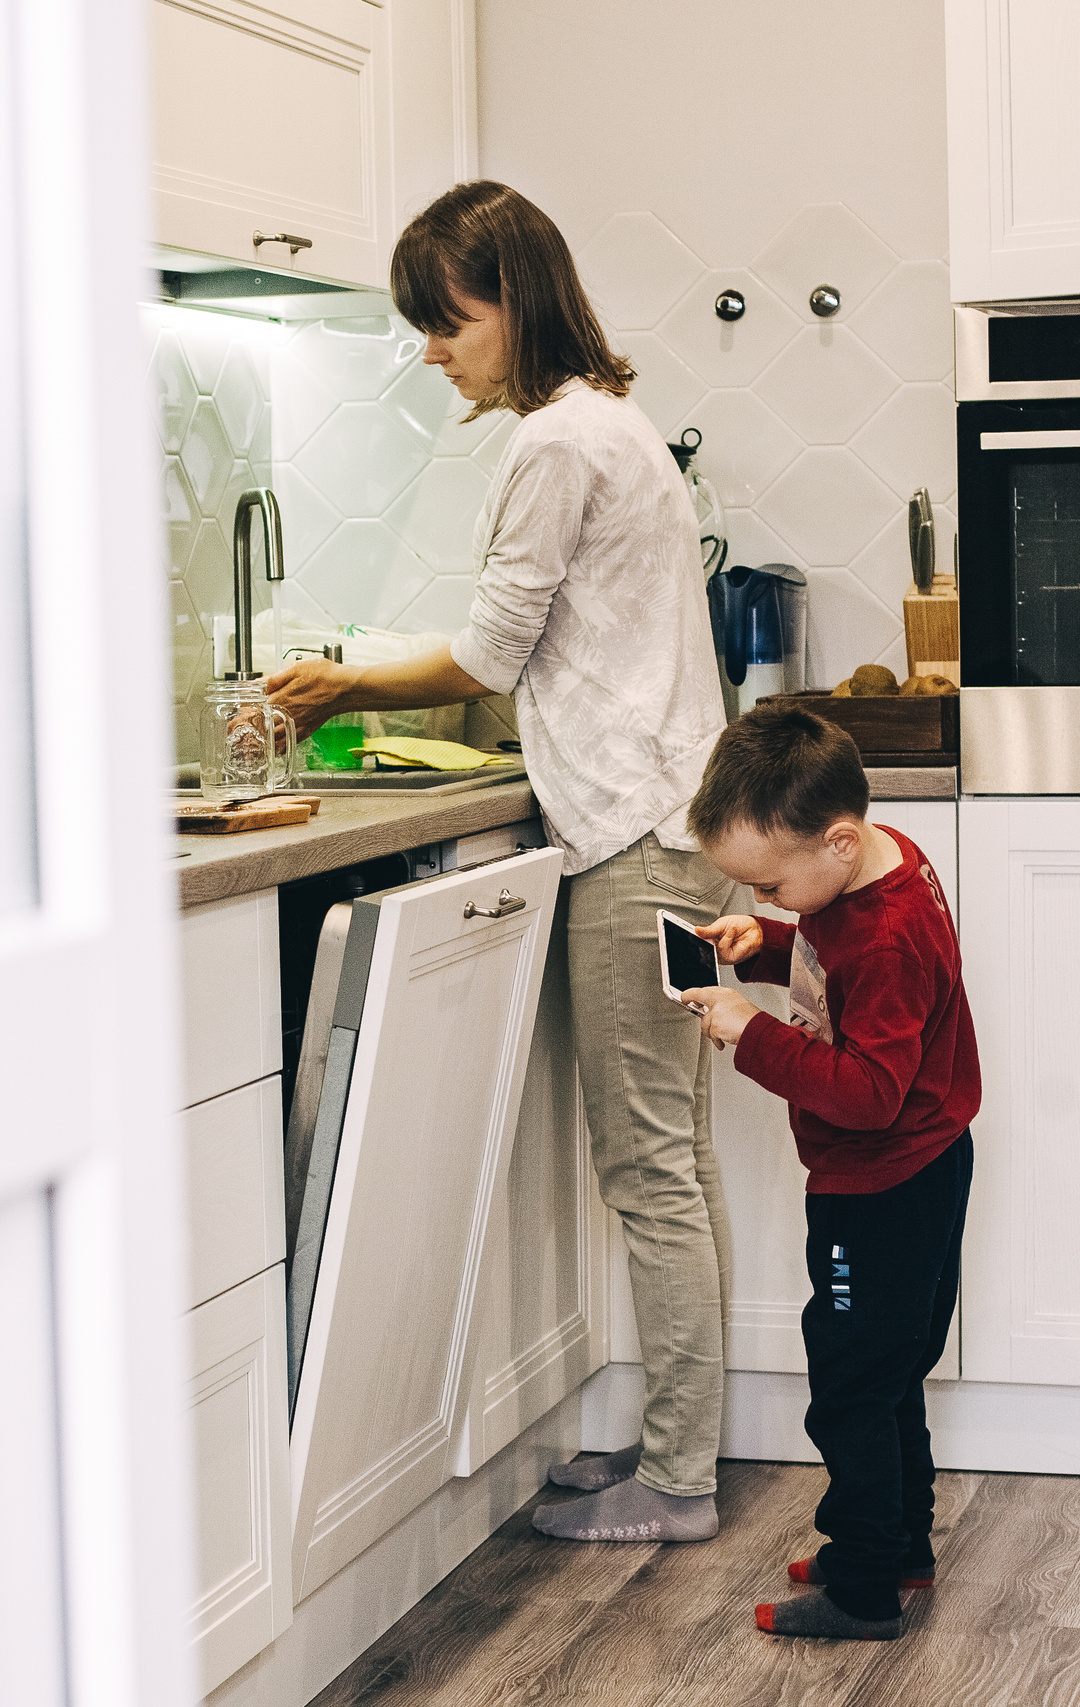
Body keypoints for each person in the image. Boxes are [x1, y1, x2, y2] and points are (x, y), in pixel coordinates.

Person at [267, 181, 735, 1544]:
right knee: (681, 1157)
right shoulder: (614, 425)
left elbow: (486, 657)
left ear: (513, 303)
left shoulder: (555, 444)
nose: (433, 350)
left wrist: (335, 687)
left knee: (652, 1166)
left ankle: (681, 1477)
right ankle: (676, 1445)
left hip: (636, 841)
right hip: (675, 824)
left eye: (447, 320)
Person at [676, 707, 979, 1640]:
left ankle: (860, 1586)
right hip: (929, 1168)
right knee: (890, 1375)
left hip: (879, 1187)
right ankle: (898, 1546)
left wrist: (748, 1031)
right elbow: (828, 948)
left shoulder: (881, 936)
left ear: (838, 843)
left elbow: (870, 1092)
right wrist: (763, 944)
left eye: (772, 882)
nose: (770, 896)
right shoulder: (882, 862)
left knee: (850, 1382)